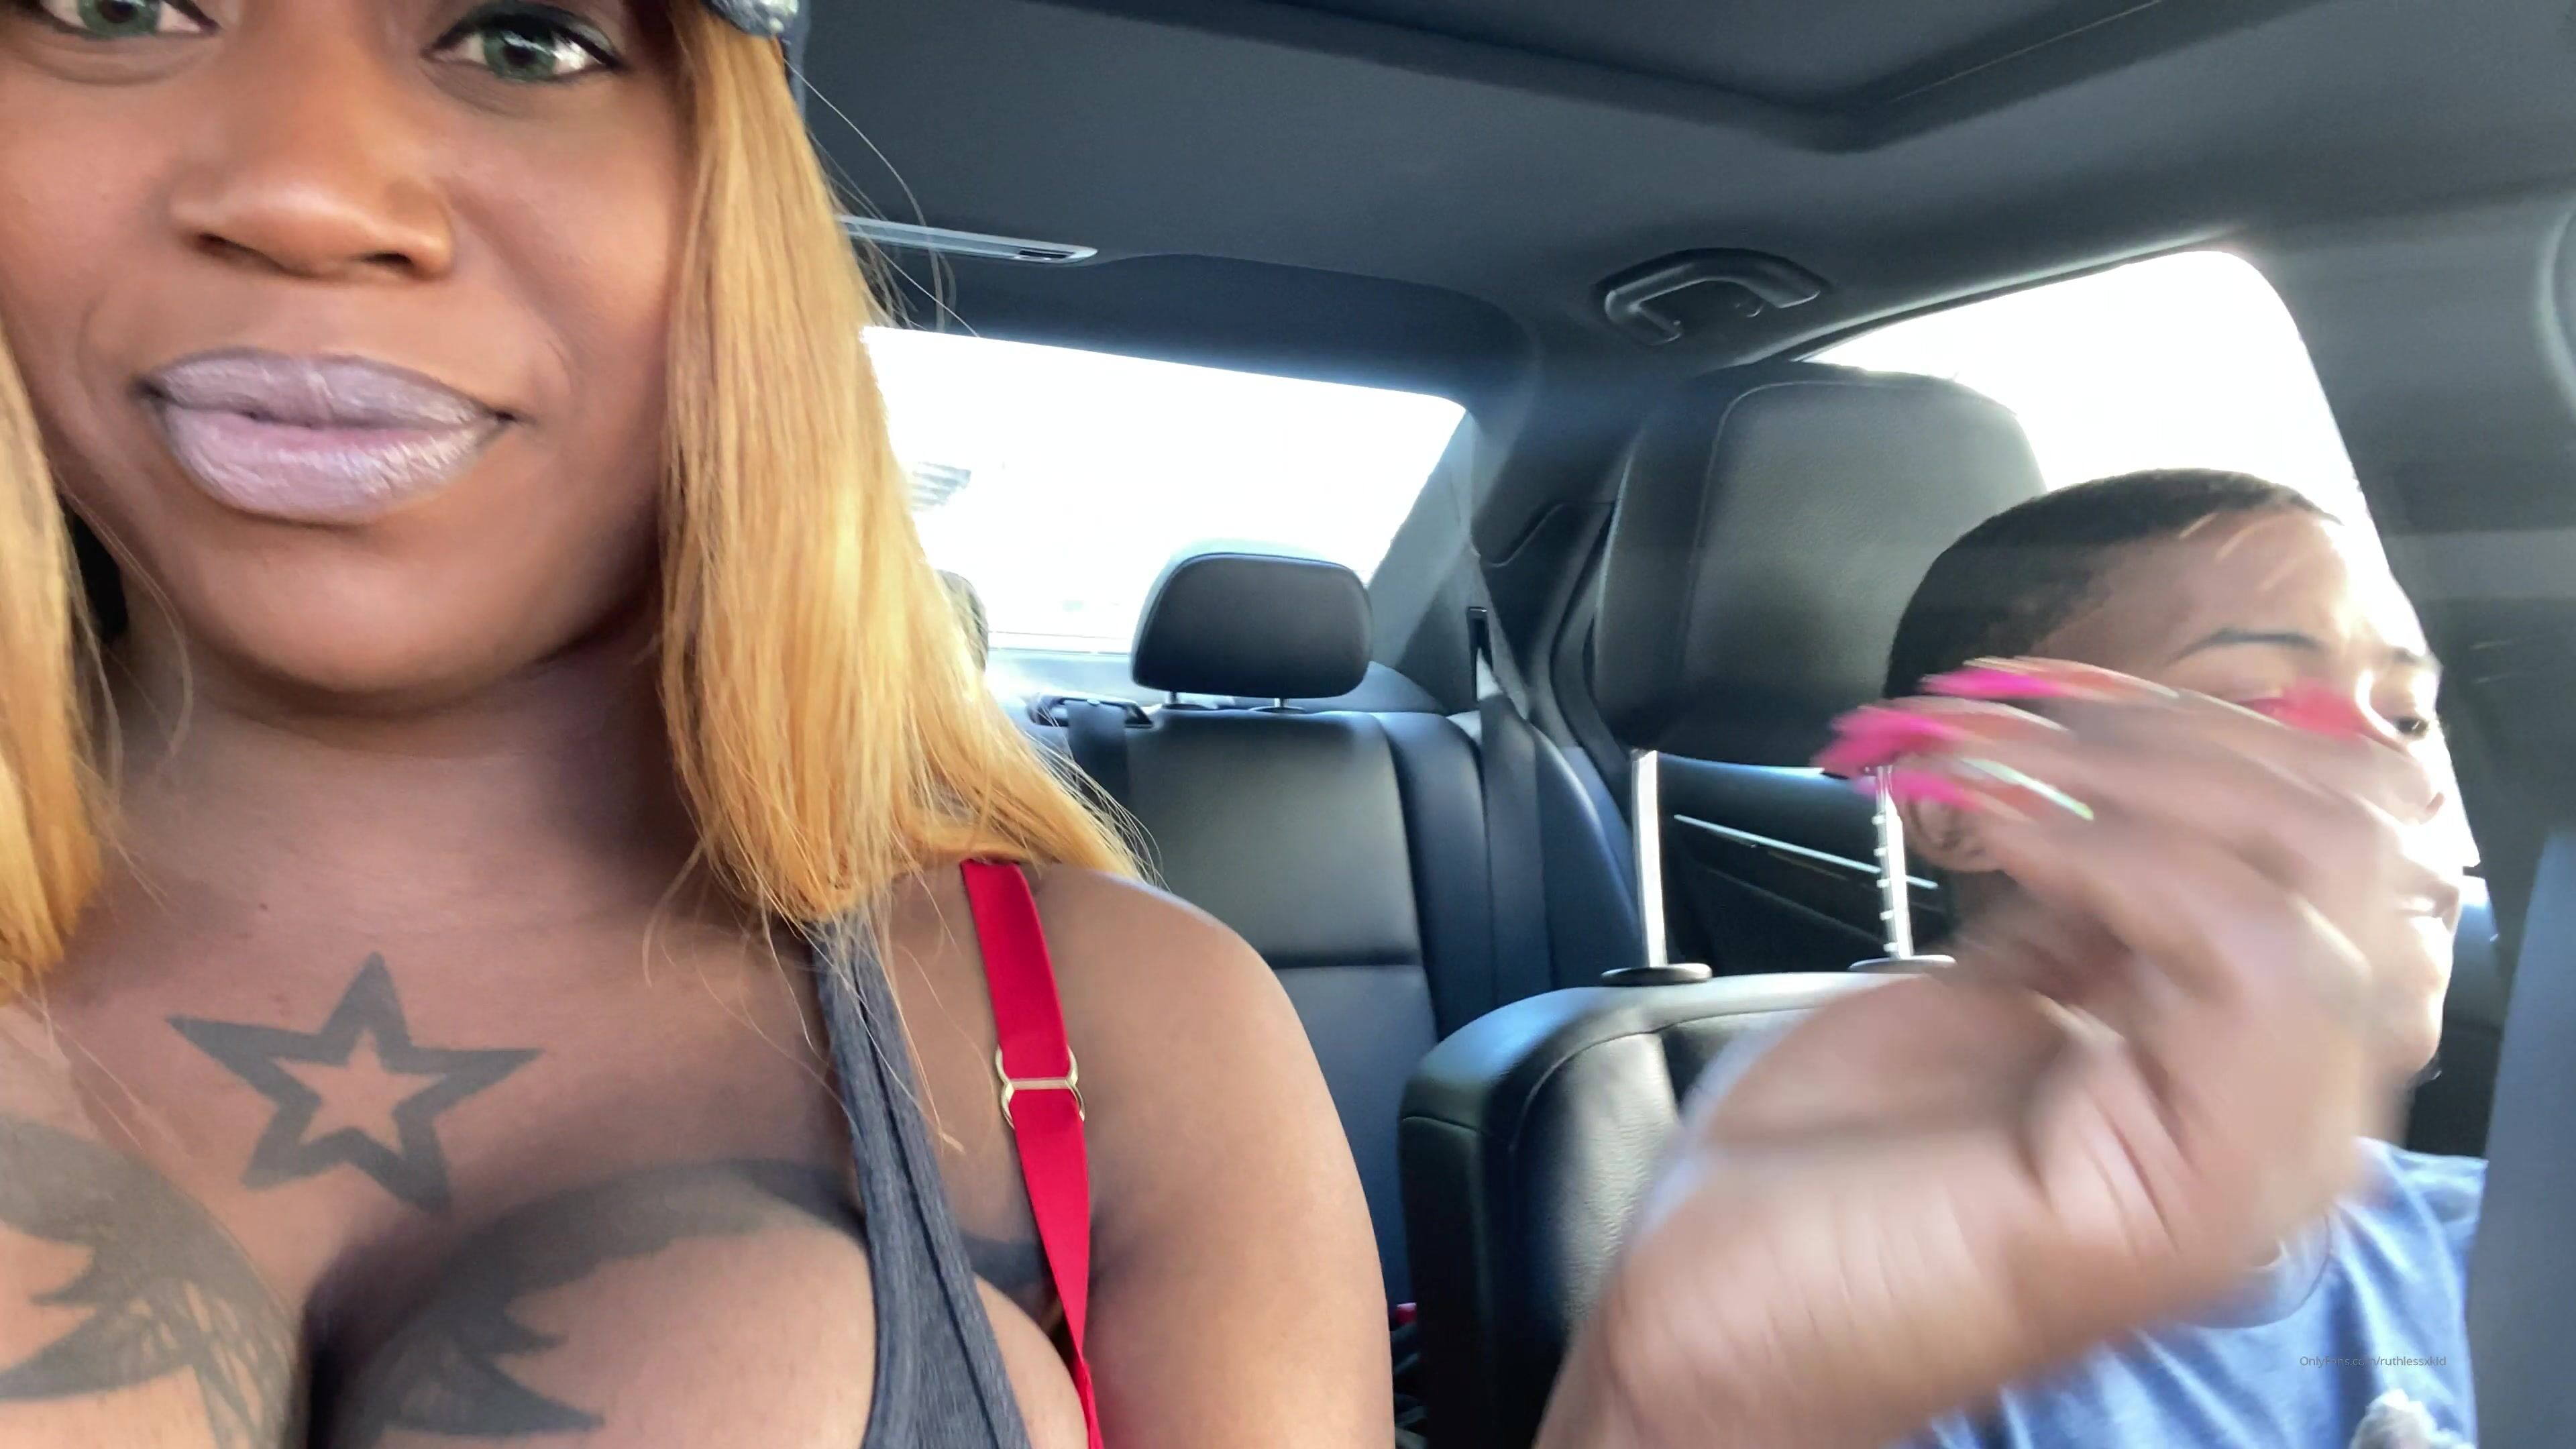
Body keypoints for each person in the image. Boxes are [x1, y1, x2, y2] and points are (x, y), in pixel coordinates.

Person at [0, 3, 1385, 1447]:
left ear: (741, 204)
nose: (306, 195)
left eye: (526, 39)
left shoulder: (1132, 1035)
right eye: (117, 5)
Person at [1534, 470, 2477, 1448]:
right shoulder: (1867, 1307)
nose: (2397, 771)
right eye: (2259, 702)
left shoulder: (2508, 1236)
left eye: (2410, 717)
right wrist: (1686, 1410)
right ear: (1957, 799)